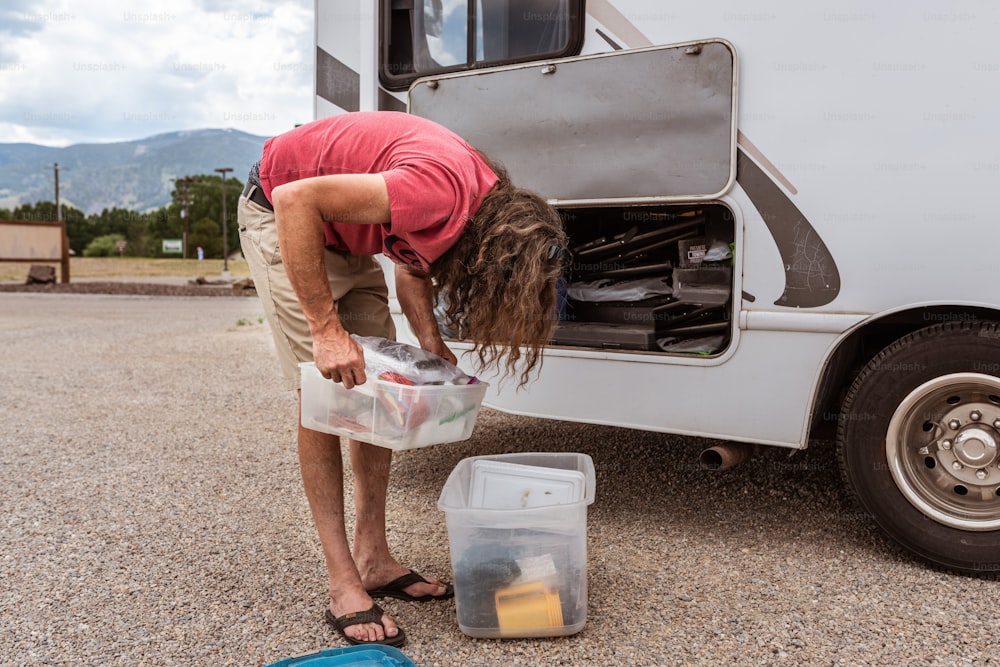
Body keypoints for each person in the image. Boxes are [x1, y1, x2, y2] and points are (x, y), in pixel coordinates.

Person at [237, 111, 567, 647]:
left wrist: (432, 347)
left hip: (340, 236)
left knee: (376, 394)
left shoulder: (477, 206)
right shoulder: (437, 190)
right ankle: (343, 582)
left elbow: (414, 265)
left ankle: (373, 558)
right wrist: (326, 331)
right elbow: (298, 201)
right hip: (282, 211)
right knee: (322, 395)